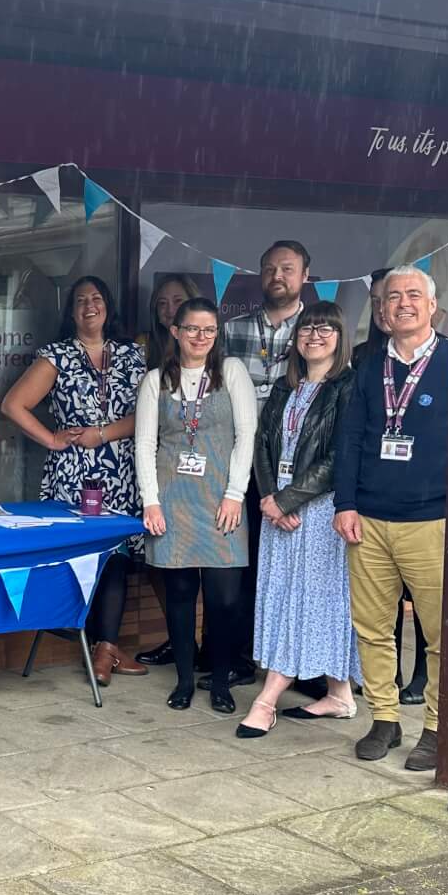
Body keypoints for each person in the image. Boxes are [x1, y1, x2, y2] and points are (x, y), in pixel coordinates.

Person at [1, 276, 147, 684]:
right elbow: (13, 404)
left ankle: (107, 649)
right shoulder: (57, 356)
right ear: (71, 311)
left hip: (121, 468)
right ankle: (95, 645)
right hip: (75, 473)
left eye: (97, 298)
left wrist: (104, 434)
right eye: (80, 300)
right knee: (85, 556)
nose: (89, 306)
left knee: (117, 557)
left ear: (108, 307)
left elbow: (151, 415)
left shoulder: (134, 355)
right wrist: (51, 438)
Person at [333, 266, 448, 770]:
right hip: (369, 519)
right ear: (380, 311)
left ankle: (438, 726)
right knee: (373, 627)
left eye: (412, 295)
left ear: (431, 305)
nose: (401, 303)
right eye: (391, 297)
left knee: (439, 632)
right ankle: (384, 718)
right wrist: (344, 503)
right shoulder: (365, 364)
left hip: (432, 519)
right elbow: (351, 437)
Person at [239, 300, 359, 737]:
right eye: (307, 329)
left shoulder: (348, 387)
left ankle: (266, 699)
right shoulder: (284, 389)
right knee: (288, 597)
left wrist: (288, 499)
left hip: (320, 510)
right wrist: (270, 497)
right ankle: (340, 695)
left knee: (307, 601)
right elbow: (262, 444)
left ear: (340, 336)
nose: (315, 336)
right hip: (280, 510)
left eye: (326, 328)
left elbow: (338, 456)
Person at [134, 299, 255, 715]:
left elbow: (246, 435)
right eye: (192, 329)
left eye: (208, 330)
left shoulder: (232, 372)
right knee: (181, 596)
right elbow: (145, 444)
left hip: (222, 502)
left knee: (224, 599)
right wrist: (150, 501)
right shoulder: (156, 381)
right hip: (173, 502)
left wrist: (235, 494)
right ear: (175, 331)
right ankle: (185, 680)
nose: (200, 337)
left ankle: (220, 680)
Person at [223, 240, 313, 682]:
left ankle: (301, 664)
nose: (278, 276)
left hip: (296, 470)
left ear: (305, 277)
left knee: (294, 569)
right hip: (242, 465)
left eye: (288, 269)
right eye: (270, 268)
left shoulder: (316, 331)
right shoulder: (231, 330)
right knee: (243, 564)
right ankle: (240, 657)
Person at [134, 273, 206, 670]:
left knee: (204, 568)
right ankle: (180, 641)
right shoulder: (144, 351)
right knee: (160, 561)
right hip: (153, 468)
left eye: (176, 301)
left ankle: (205, 645)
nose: (168, 309)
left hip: (196, 473)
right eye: (161, 302)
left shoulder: (209, 355)